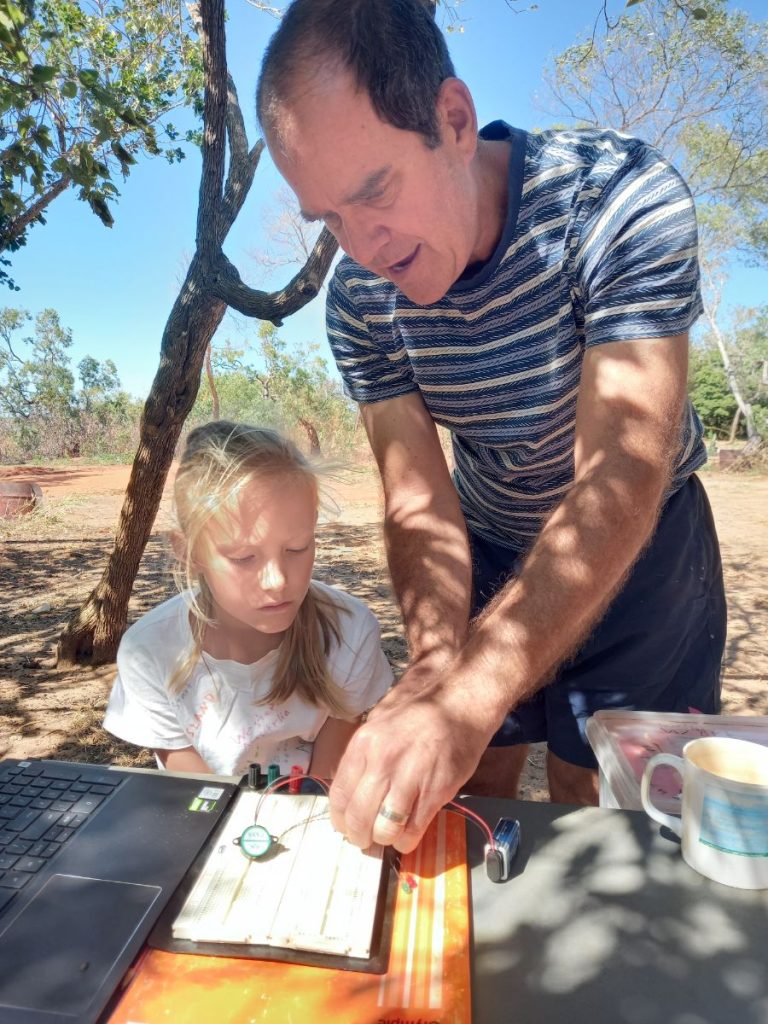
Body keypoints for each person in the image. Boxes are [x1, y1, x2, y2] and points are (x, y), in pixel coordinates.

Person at [255, 0, 727, 852]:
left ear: (455, 119)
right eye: (329, 218)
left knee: (602, 793)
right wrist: (440, 666)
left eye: (376, 192)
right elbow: (417, 500)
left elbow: (621, 475)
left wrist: (474, 694)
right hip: (487, 540)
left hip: (647, 543)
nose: (363, 247)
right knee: (462, 780)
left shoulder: (618, 199)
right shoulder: (361, 299)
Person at [103, 420, 394, 778]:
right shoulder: (149, 651)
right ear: (189, 552)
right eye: (243, 558)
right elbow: (200, 793)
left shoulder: (350, 632)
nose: (277, 581)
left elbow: (324, 783)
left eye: (297, 548)